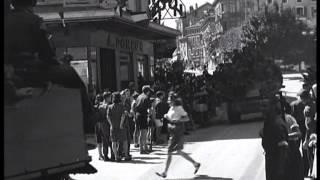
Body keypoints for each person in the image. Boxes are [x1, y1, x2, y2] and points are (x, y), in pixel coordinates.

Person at [4, 0, 95, 133]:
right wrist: (57, 63)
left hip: (12, 71)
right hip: (31, 71)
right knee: (70, 74)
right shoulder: (34, 20)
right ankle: (88, 120)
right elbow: (46, 54)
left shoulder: (6, 19)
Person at [155, 92, 200, 178]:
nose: (168, 101)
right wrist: (166, 116)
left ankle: (164, 172)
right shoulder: (171, 108)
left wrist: (178, 120)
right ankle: (195, 163)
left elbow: (186, 118)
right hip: (172, 131)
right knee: (178, 151)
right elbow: (169, 116)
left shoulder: (179, 108)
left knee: (169, 152)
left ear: (174, 101)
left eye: (169, 100)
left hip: (178, 131)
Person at [261, 95, 289, 180]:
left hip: (276, 164)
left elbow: (283, 147)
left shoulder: (277, 124)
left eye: (265, 106)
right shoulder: (269, 122)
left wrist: (280, 169)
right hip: (271, 162)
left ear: (273, 107)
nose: (262, 109)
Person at [291, 89, 316, 177]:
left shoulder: (307, 108)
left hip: (310, 135)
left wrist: (306, 140)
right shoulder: (314, 104)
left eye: (301, 98)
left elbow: (309, 127)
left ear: (303, 98)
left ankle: (311, 174)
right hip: (313, 134)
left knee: (310, 155)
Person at [107, 92, 131, 162]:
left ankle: (116, 157)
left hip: (113, 127)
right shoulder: (121, 106)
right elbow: (123, 116)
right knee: (124, 141)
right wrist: (121, 124)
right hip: (121, 127)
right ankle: (126, 156)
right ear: (119, 98)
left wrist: (111, 125)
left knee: (114, 142)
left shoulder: (110, 107)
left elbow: (108, 117)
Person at [135, 85, 153, 154]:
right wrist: (150, 115)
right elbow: (149, 109)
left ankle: (143, 148)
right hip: (143, 115)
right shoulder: (146, 97)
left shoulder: (139, 96)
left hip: (138, 115)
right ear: (147, 91)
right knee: (144, 132)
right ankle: (142, 149)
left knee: (141, 132)